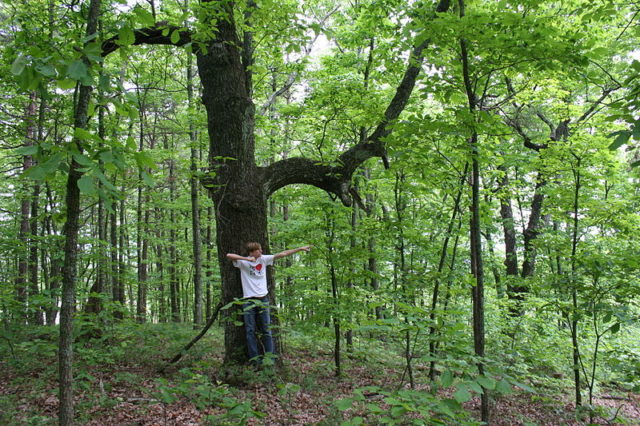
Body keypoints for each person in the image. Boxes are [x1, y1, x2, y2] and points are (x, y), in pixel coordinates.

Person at [226, 242, 312, 365]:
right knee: (250, 330)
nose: (261, 251)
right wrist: (247, 259)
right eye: (258, 250)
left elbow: (283, 254)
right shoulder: (243, 263)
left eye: (260, 250)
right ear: (252, 252)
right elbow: (229, 255)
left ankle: (270, 358)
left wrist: (300, 248)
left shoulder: (264, 259)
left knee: (267, 329)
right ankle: (254, 359)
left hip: (263, 299)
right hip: (248, 299)